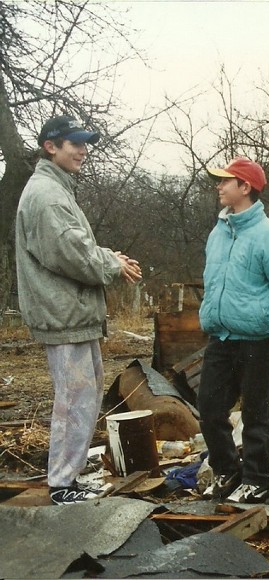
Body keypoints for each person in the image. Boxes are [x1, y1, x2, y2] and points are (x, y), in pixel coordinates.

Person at [15, 115, 143, 505]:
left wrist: (104, 257)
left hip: (74, 315)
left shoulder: (57, 191)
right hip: (63, 315)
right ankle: (61, 485)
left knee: (82, 398)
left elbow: (76, 249)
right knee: (73, 400)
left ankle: (66, 479)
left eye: (85, 143)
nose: (83, 150)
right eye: (75, 143)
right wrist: (110, 263)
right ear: (50, 146)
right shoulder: (47, 196)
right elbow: (72, 255)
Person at [197, 156, 269, 504]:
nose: (219, 186)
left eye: (226, 181)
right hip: (221, 337)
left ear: (245, 187)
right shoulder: (218, 232)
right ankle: (228, 471)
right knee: (210, 408)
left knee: (257, 413)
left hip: (259, 340)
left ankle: (258, 479)